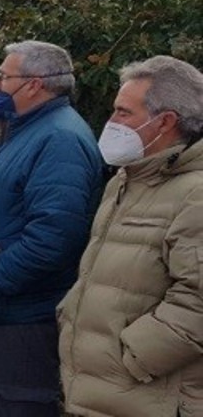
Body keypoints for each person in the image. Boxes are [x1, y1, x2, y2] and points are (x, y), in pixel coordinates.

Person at [0, 40, 104, 416]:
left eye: (4, 76)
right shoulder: (27, 129)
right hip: (1, 312)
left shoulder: (59, 139)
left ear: (35, 83)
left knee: (20, 405)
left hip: (21, 315)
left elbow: (54, 237)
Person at [58, 56, 203, 416]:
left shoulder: (195, 193)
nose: (111, 123)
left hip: (150, 396)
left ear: (165, 121)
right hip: (103, 392)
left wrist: (134, 356)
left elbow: (198, 301)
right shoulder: (126, 181)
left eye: (123, 112)